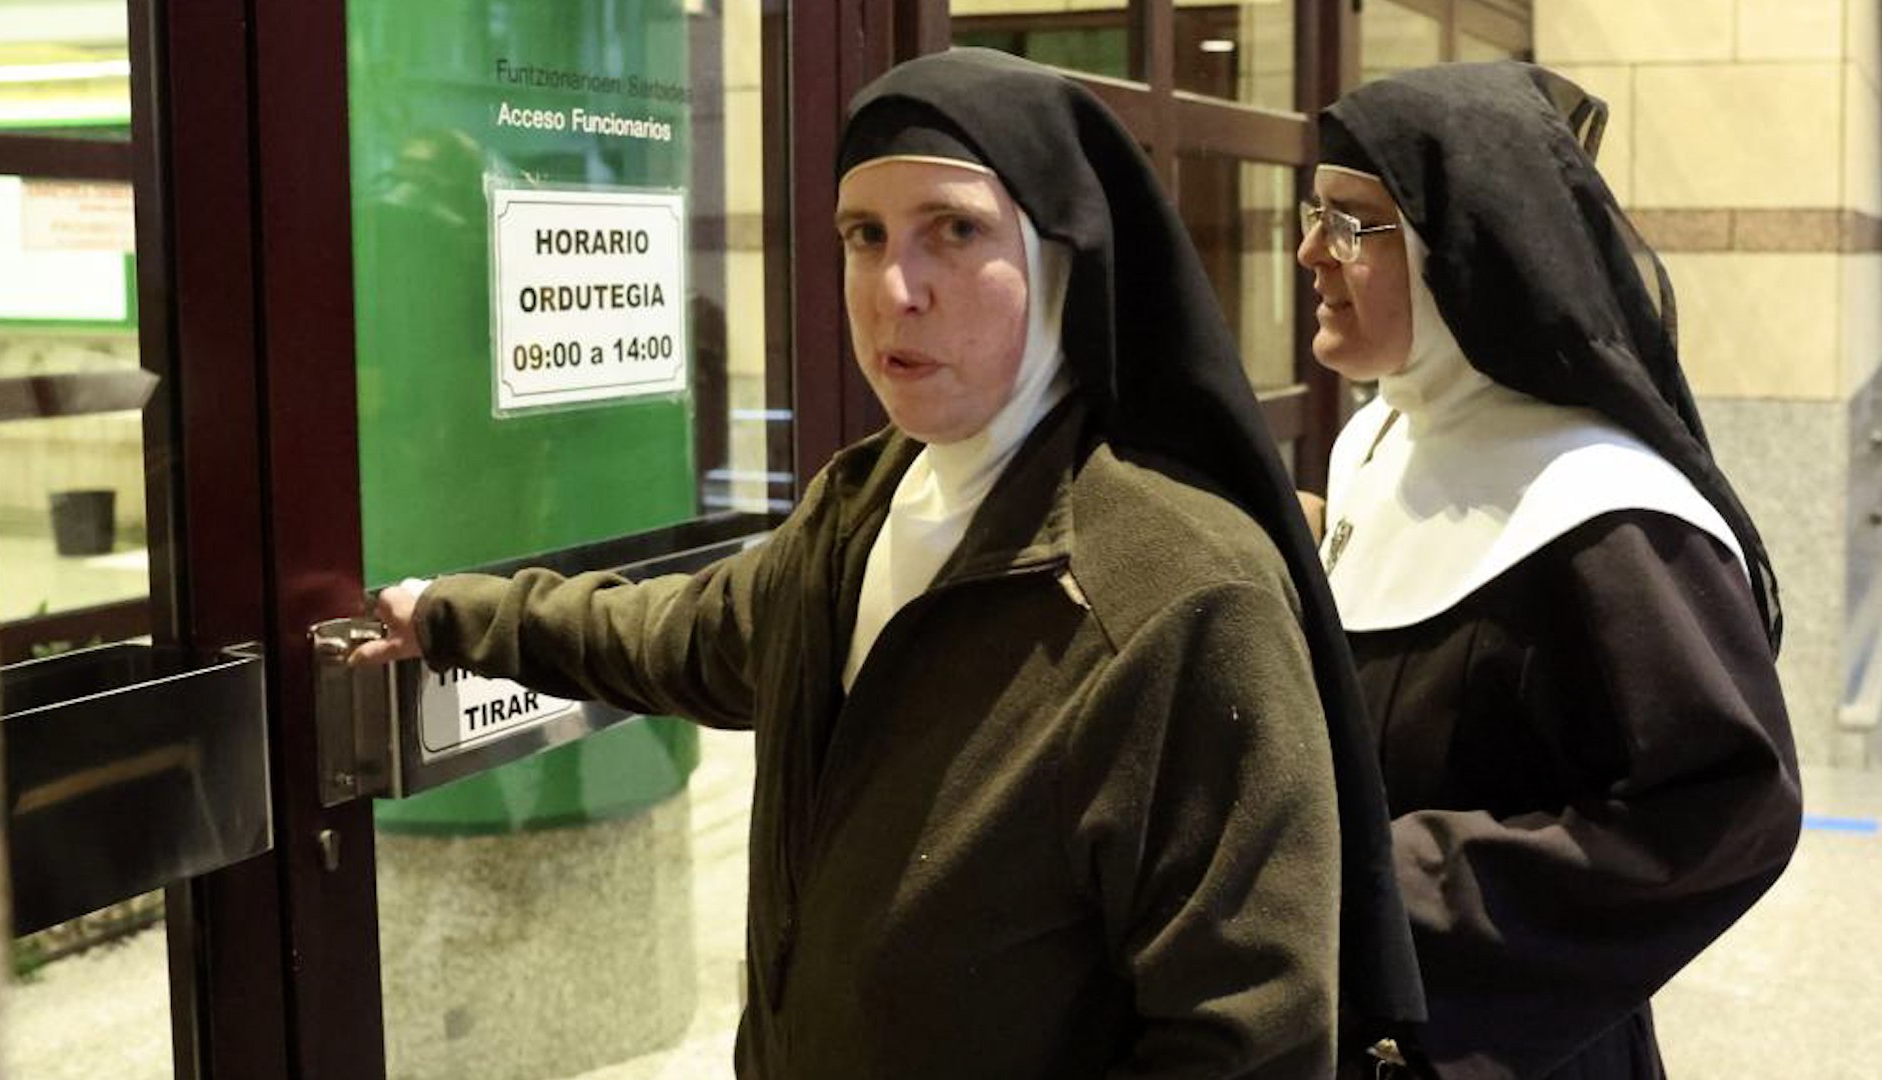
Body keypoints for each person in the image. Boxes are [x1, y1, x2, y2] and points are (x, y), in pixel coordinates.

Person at [353, 47, 1424, 1079]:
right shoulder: (865, 500)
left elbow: (1250, 1040)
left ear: (1061, 256)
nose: (893, 289)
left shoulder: (1183, 595)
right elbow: (688, 636)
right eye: (863, 235)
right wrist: (455, 616)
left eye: (953, 231)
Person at [1298, 61, 1803, 1079]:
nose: (1312, 253)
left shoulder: (1602, 512)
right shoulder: (1379, 440)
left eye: (1354, 222)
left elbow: (1720, 814)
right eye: (1314, 214)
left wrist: (1374, 890)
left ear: (1461, 254)